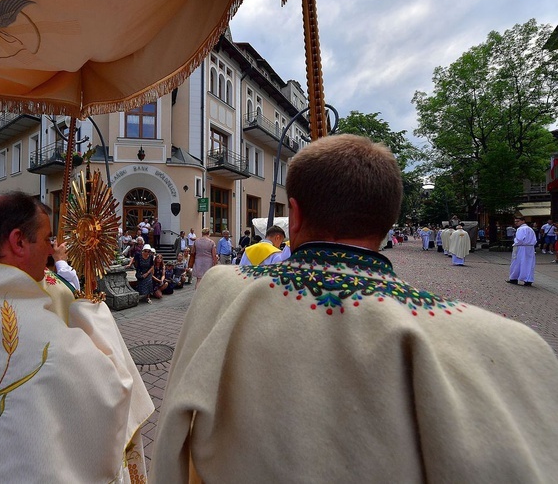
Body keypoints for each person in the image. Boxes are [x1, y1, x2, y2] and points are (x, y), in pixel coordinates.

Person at [152, 134, 558, 483]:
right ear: (388, 221)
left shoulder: (225, 291)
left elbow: (172, 439)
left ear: (293, 215)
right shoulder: (517, 346)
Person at [0, 192, 153, 482]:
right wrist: (95, 317)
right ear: (19, 241)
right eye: (47, 239)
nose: (52, 251)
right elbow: (110, 389)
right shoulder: (25, 325)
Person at [508, 216, 537, 286]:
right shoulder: (530, 229)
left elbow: (519, 239)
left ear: (523, 221)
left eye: (518, 221)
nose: (516, 223)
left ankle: (514, 278)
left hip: (521, 247)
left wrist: (515, 242)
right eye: (515, 221)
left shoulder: (521, 229)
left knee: (517, 262)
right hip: (530, 248)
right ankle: (528, 279)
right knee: (529, 263)